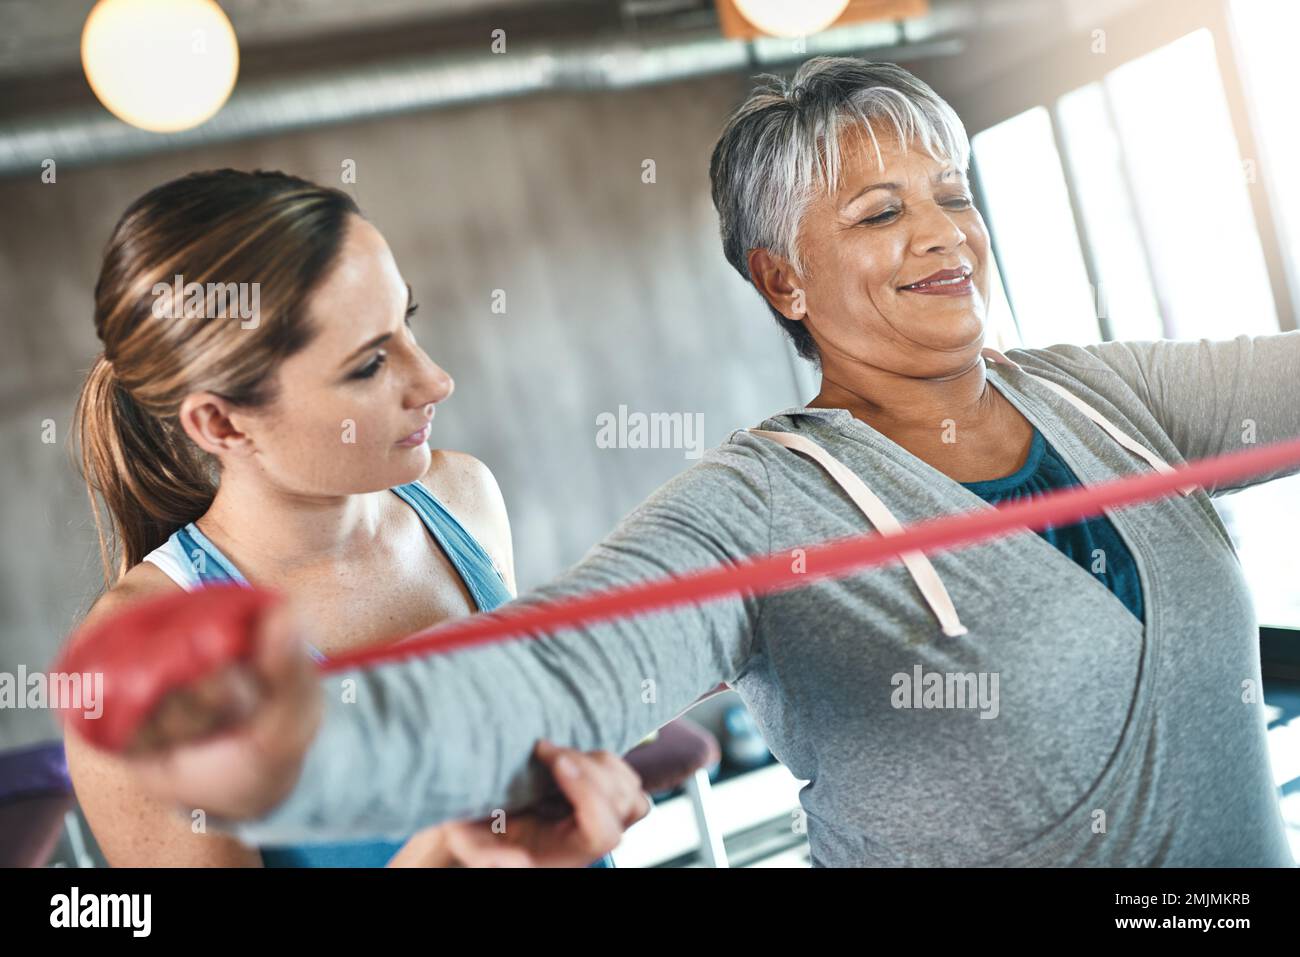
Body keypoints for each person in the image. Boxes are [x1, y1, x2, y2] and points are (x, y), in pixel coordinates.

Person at [99, 57, 1299, 867]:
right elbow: (561, 667)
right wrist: (307, 744)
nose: (943, 230)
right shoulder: (759, 505)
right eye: (880, 214)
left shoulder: (1109, 394)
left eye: (950, 191)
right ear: (782, 277)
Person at [66, 169, 648, 867]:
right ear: (221, 421)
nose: (435, 380)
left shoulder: (463, 497)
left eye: (407, 321)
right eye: (370, 363)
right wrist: (441, 856)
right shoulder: (141, 657)